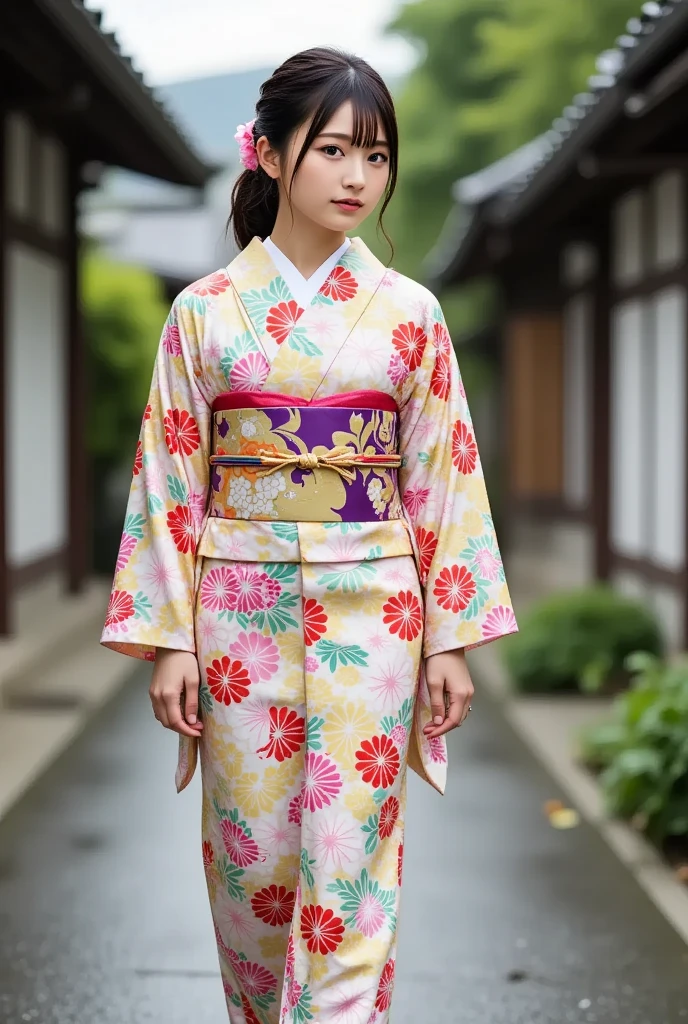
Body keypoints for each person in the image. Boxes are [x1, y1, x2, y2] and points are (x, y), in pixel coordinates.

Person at [100, 45, 517, 1024]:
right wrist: (166, 636)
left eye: (375, 157)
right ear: (274, 156)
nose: (357, 178)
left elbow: (441, 474)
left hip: (376, 611)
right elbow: (169, 471)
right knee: (255, 869)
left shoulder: (410, 315)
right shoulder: (203, 313)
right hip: (236, 614)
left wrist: (449, 638)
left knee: (351, 861)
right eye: (333, 150)